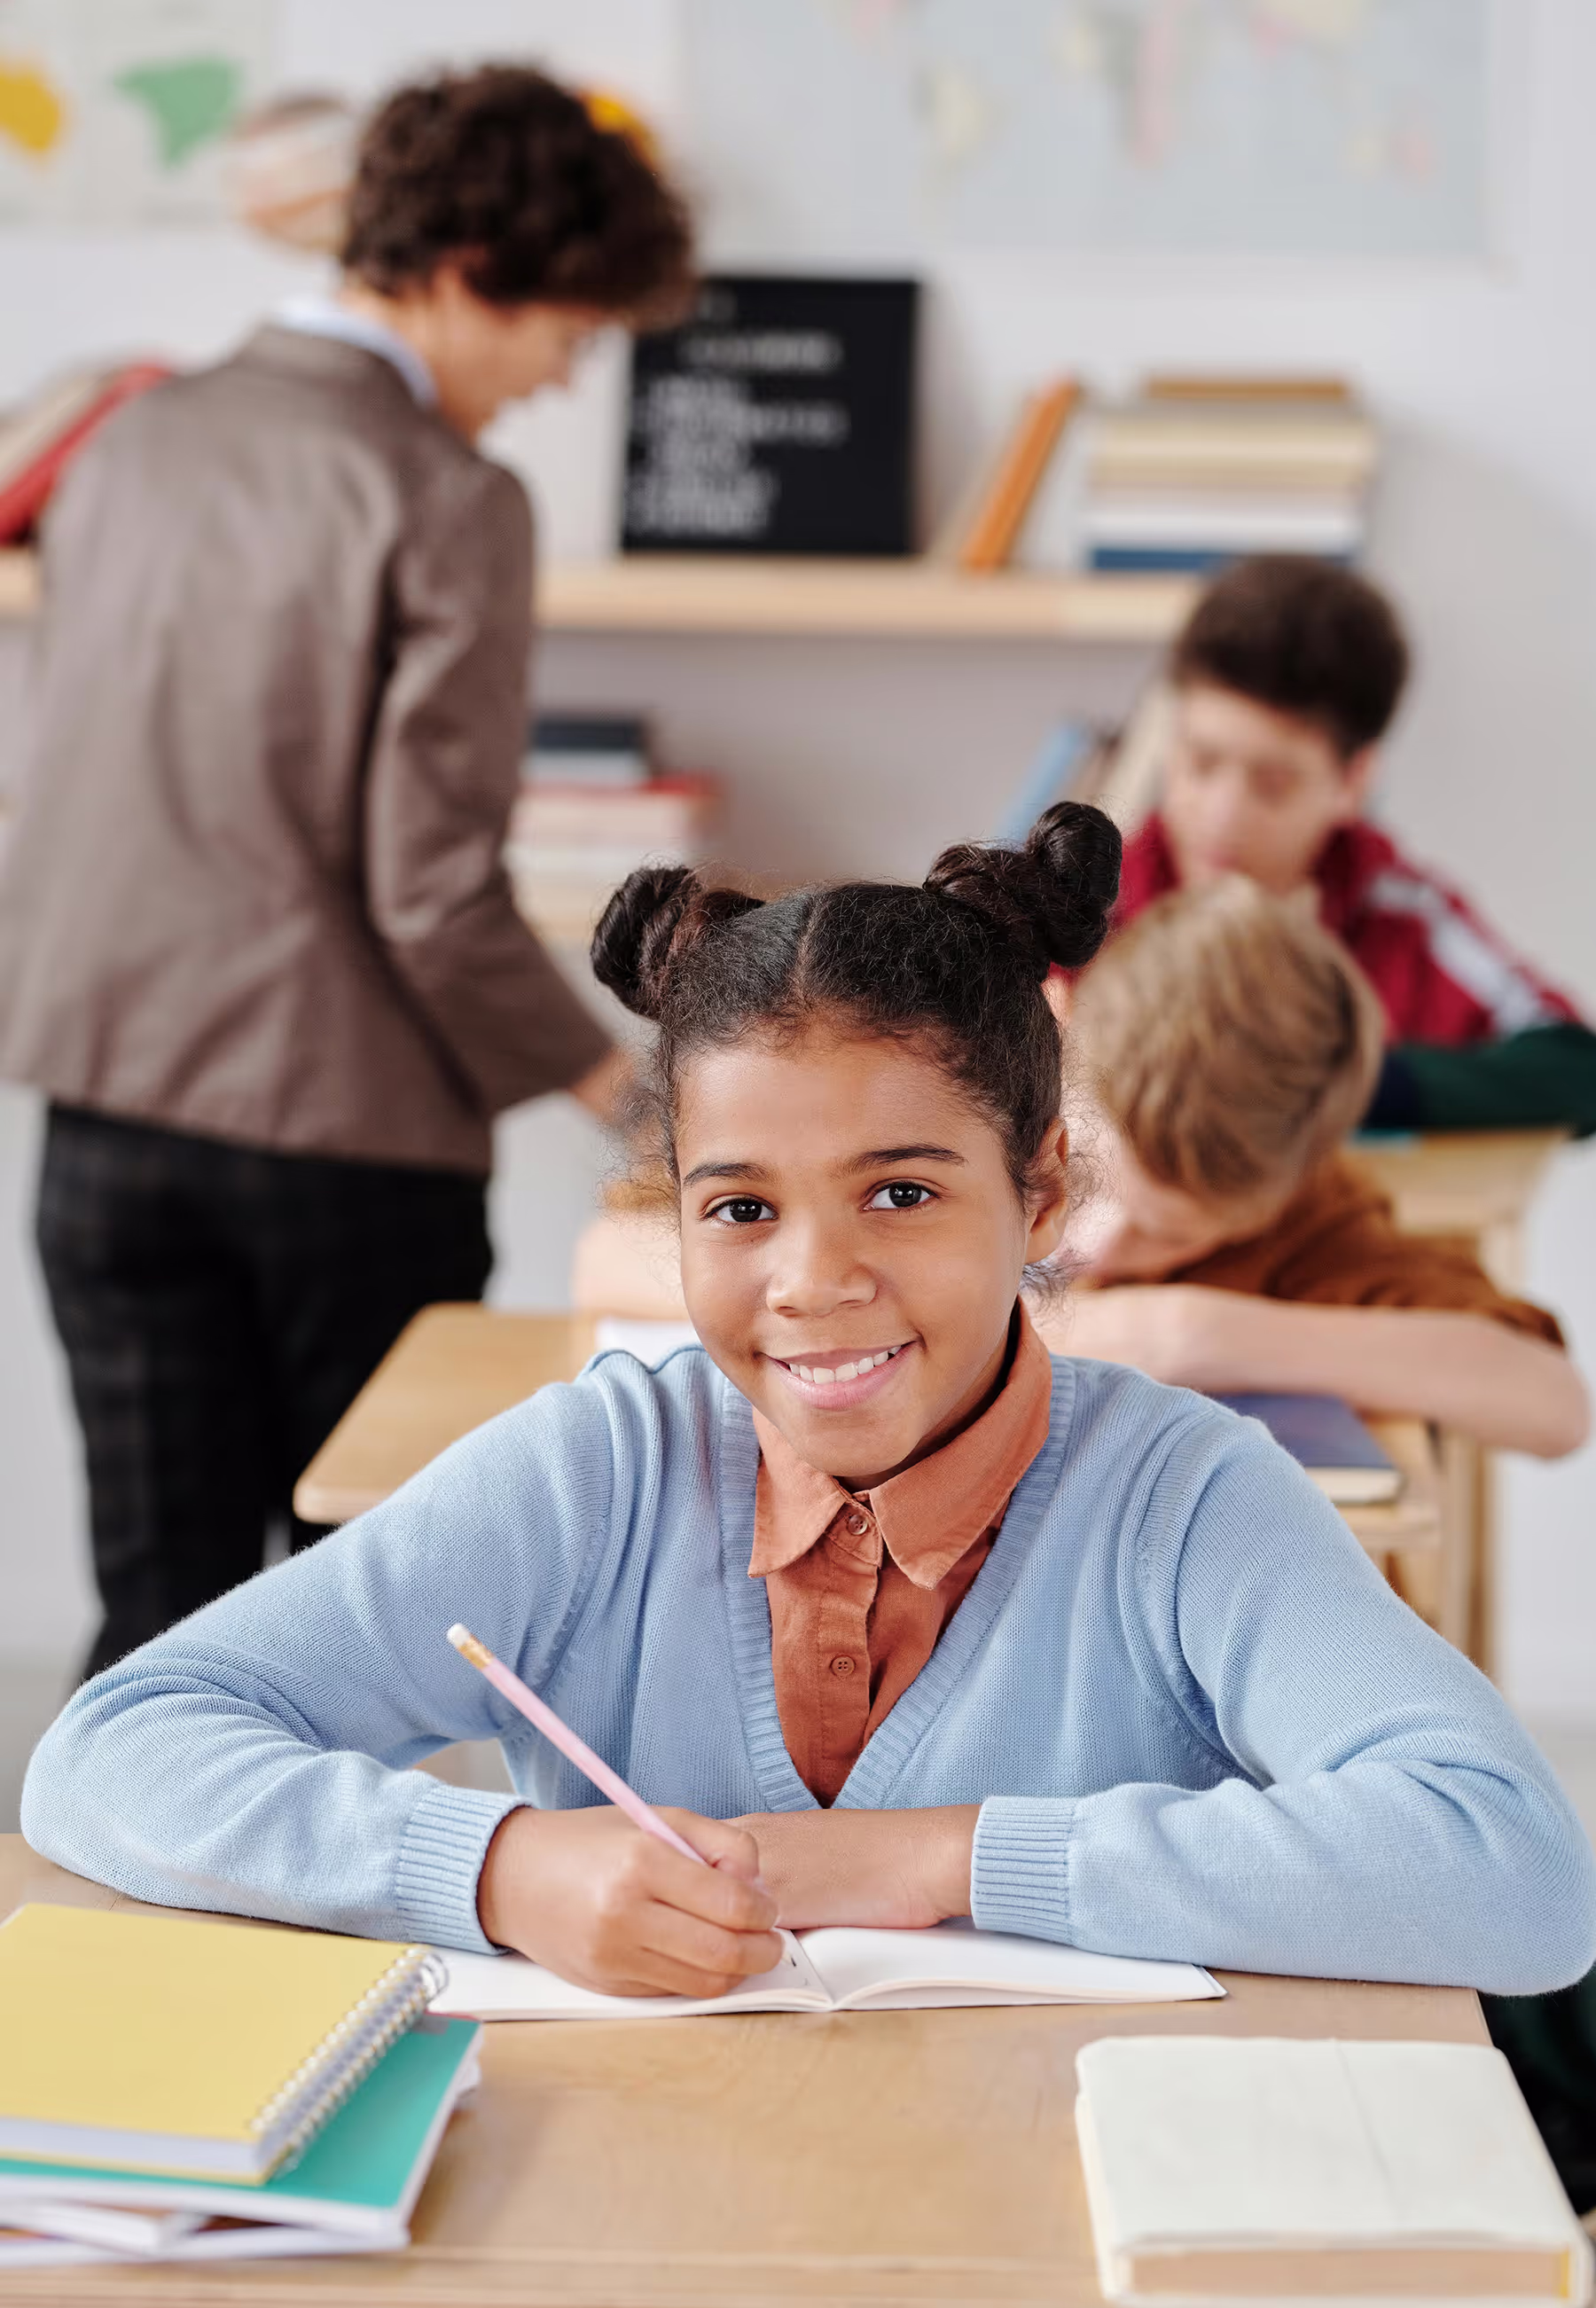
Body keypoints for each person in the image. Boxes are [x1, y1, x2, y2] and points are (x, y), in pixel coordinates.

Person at [22, 807, 1596, 2003]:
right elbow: (108, 1752)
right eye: (739, 1209)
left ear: (1040, 1194)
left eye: (901, 1193)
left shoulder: (1184, 1497)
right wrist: (497, 1865)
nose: (812, 1282)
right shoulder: (601, 1474)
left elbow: (1514, 1870)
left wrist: (927, 1858)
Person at [0, 65, 693, 1675]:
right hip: (338, 1152)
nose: (553, 382)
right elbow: (430, 893)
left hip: (103, 1125)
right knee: (353, 1642)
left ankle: (121, 1932)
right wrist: (638, 1097)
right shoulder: (449, 499)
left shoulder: (129, 437)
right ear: (466, 276)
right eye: (563, 335)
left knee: (155, 1629)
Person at [1032, 883, 1589, 1458]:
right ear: (1057, 1026)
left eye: (1168, 1234)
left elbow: (1555, 1406)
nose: (1099, 1246)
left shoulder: (1306, 1224)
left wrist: (1196, 1334)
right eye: (1085, 1180)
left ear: (1275, 1199)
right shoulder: (992, 1113)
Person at [1115, 554, 1596, 1135]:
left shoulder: (1399, 913)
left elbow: (1577, 1069)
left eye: (1273, 786)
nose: (1221, 815)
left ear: (1353, 780)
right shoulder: (1085, 906)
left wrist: (1347, 1086)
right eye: (1200, 761)